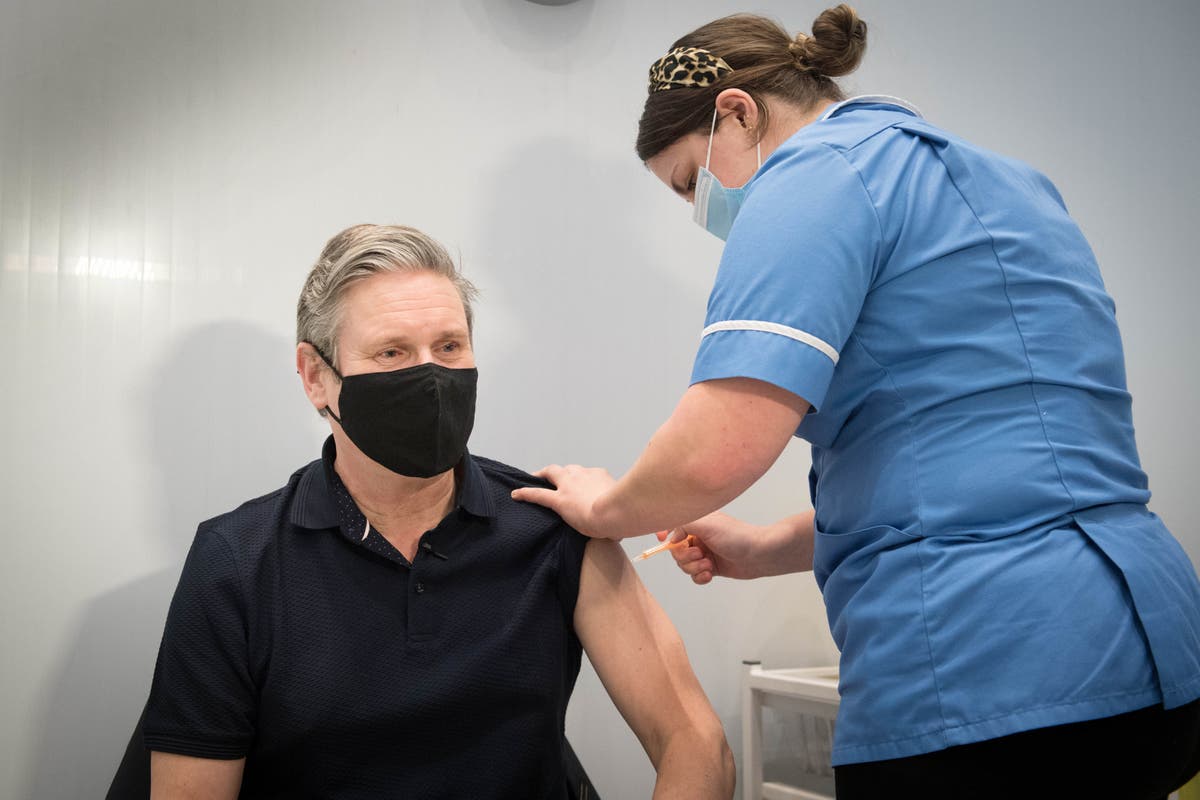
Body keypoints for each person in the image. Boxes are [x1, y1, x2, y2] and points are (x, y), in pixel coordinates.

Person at [511, 5, 1200, 798]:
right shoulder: (1011, 181)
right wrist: (765, 547)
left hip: (989, 683)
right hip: (1154, 663)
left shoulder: (809, 178)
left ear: (736, 112)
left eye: (690, 185)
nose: (699, 211)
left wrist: (606, 508)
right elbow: (988, 465)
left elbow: (720, 447)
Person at [143, 224, 735, 799]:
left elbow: (696, 744)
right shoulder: (236, 563)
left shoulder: (552, 530)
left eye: (449, 346)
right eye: (392, 351)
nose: (430, 376)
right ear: (316, 377)